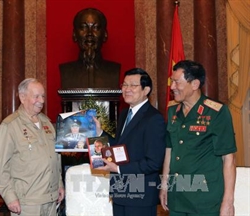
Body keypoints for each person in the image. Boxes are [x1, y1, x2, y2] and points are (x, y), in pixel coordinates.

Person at [159, 60, 237, 216]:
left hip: (205, 201)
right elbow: (170, 150)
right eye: (171, 82)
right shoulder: (172, 111)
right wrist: (164, 184)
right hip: (177, 198)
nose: (172, 87)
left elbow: (229, 159)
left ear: (194, 84)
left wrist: (228, 202)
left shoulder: (217, 112)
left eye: (176, 82)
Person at [96, 68, 166, 216]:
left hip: (140, 197)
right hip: (121, 193)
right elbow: (121, 147)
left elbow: (153, 162)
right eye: (124, 85)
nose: (127, 89)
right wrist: (100, 133)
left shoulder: (154, 119)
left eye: (133, 85)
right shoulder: (124, 114)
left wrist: (119, 169)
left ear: (146, 90)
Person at [0, 78, 65, 216]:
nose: (42, 100)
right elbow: (1, 168)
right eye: (36, 96)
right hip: (27, 203)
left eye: (43, 96)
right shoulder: (9, 126)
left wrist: (59, 184)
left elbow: (55, 158)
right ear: (22, 97)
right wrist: (10, 197)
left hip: (50, 199)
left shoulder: (47, 123)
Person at [59, 7, 121, 89]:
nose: (89, 34)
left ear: (105, 35)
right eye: (83, 27)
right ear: (74, 34)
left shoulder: (114, 70)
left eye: (96, 28)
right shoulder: (66, 71)